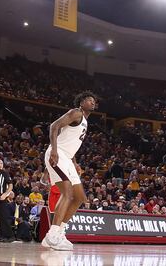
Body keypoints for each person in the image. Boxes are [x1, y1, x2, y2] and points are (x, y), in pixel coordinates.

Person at [42, 91, 96, 251]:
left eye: (94, 101)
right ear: (81, 102)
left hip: (68, 158)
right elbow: (54, 126)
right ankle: (52, 234)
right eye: (89, 100)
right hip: (58, 155)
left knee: (80, 197)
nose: (92, 102)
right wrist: (54, 151)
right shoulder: (76, 112)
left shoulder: (85, 120)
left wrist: (75, 162)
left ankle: (59, 232)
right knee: (67, 194)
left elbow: (70, 143)